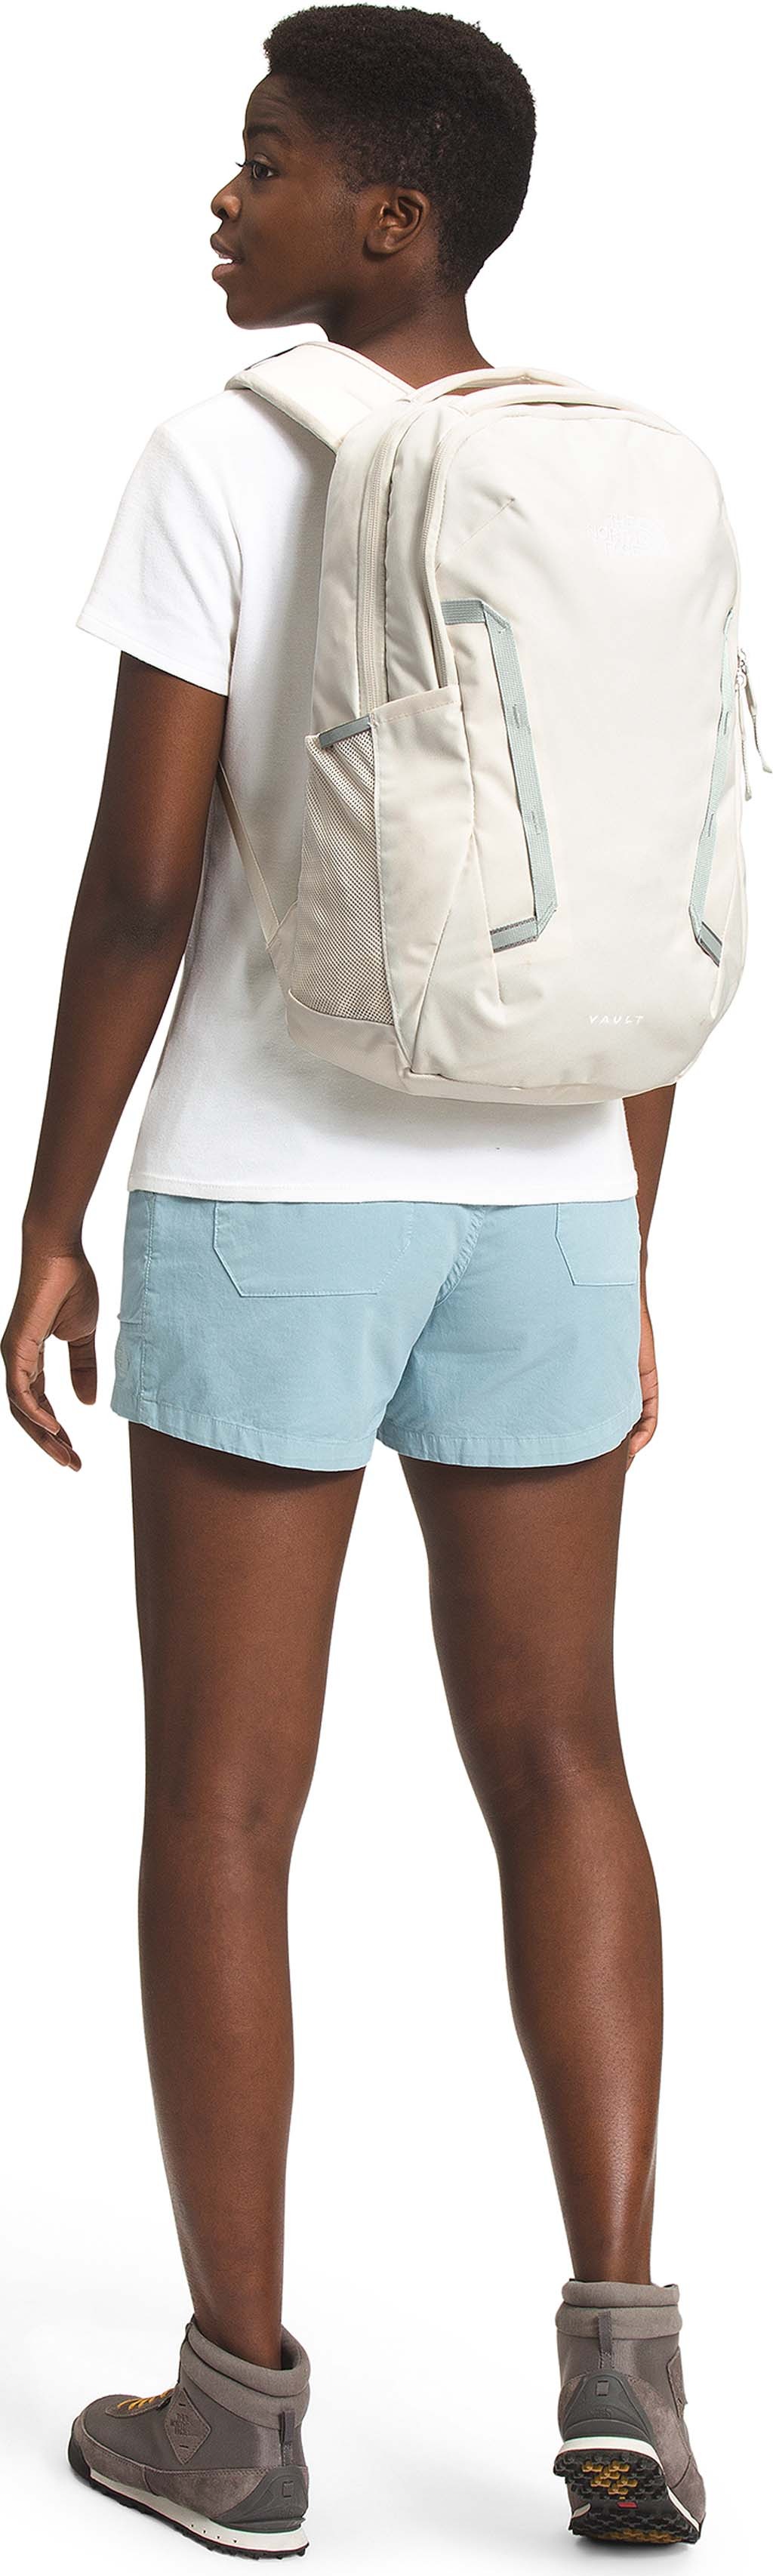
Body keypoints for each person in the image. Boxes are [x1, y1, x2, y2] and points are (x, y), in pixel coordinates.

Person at [2, 5, 706, 2554]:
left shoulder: (224, 451)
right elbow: (654, 898)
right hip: (550, 1197)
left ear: (390, 219)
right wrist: (624, 1241)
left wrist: (51, 1208)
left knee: (225, 1793)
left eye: (270, 160)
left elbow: (140, 883)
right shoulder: (622, 475)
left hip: (275, 1195)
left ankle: (238, 2411)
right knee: (567, 1763)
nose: (228, 197)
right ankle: (626, 2367)